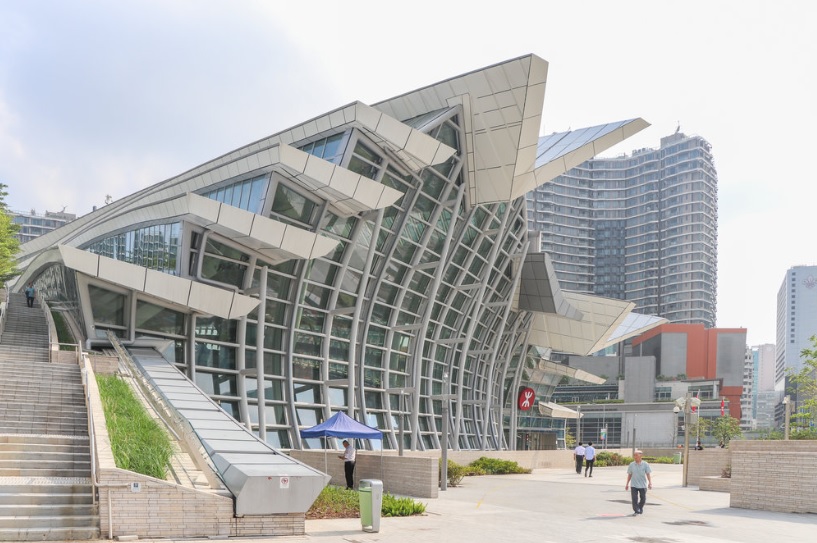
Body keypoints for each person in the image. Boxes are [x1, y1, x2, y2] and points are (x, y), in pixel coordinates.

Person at [625, 450, 652, 515]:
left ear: (641, 456)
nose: (635, 457)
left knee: (643, 499)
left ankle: (640, 507)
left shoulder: (645, 464)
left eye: (636, 455)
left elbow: (648, 474)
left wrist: (650, 483)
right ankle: (636, 510)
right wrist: (627, 484)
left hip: (643, 485)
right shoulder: (631, 464)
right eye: (634, 455)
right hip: (634, 485)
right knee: (634, 499)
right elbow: (629, 474)